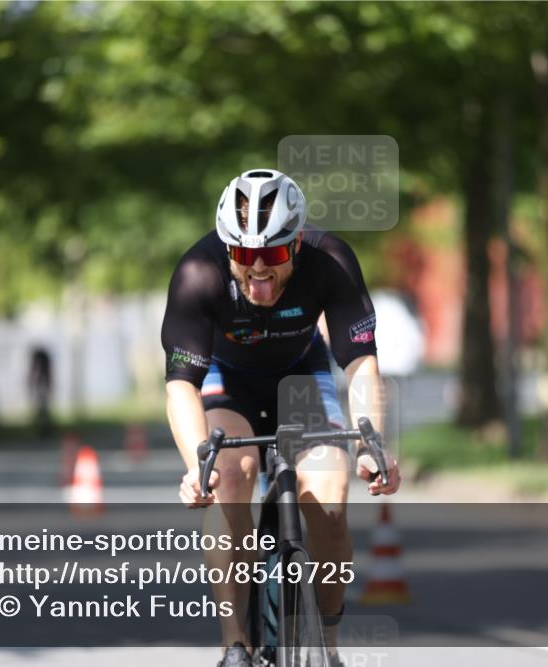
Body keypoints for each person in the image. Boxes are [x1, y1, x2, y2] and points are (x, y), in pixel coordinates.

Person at [161, 169, 402, 667]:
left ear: (295, 245)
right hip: (229, 379)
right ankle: (235, 644)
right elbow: (182, 384)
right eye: (245, 257)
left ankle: (328, 643)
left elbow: (360, 363)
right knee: (230, 475)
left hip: (301, 375)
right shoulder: (198, 273)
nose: (258, 271)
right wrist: (194, 466)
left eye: (271, 256)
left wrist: (371, 444)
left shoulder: (330, 261)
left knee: (331, 502)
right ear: (227, 249)